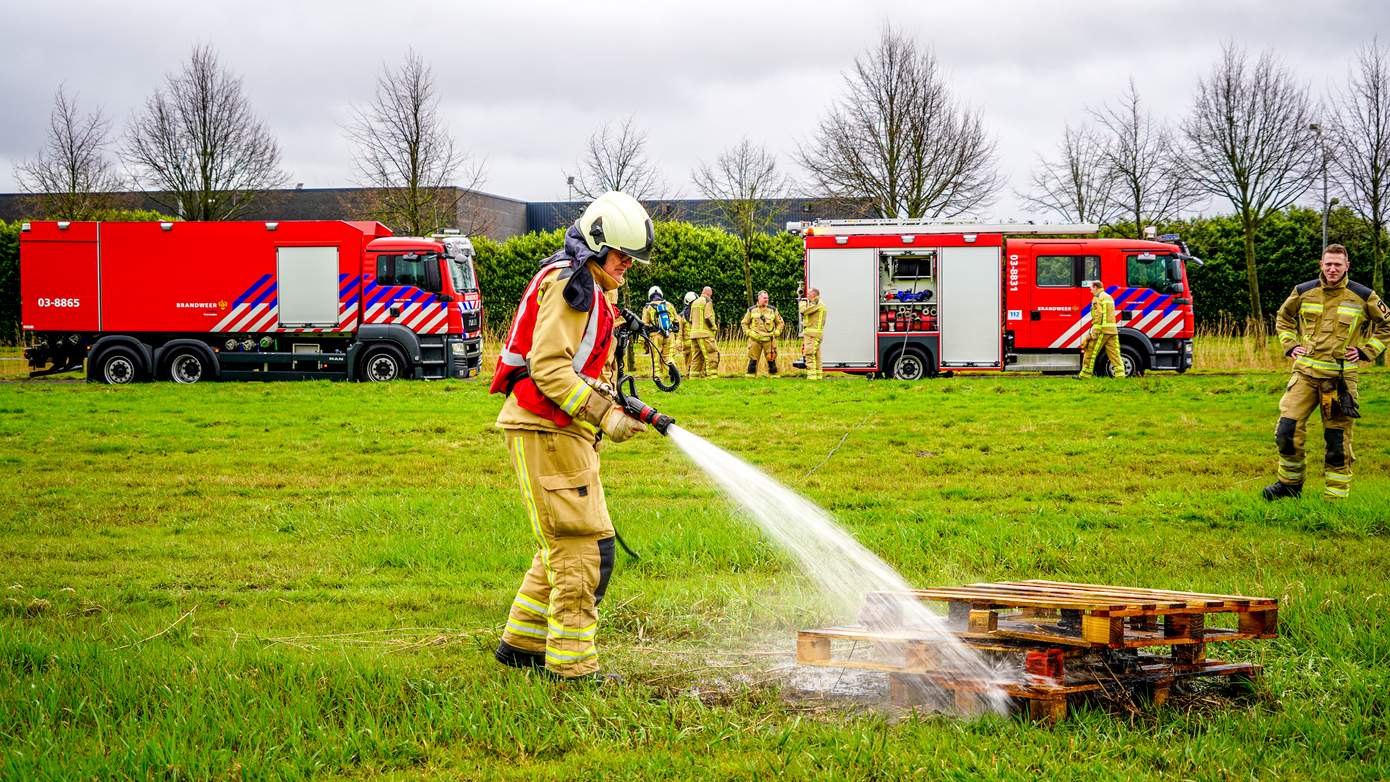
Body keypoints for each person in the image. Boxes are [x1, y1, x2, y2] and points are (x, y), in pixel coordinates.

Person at [489, 191, 655, 680]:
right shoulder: (571, 285)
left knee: (563, 543)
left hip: (551, 428)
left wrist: (614, 402)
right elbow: (549, 369)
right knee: (583, 549)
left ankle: (522, 646)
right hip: (544, 428)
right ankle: (572, 668)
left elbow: (575, 368)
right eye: (623, 255)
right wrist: (604, 414)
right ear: (598, 243)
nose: (629, 265)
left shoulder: (579, 280)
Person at [1264, 244, 1390, 501]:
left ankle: (1335, 499)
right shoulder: (1303, 291)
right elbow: (1283, 318)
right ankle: (1289, 486)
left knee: (1336, 441)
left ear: (1347, 267)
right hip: (1305, 375)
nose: (1333, 269)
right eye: (1328, 264)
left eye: (1338, 264)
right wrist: (1290, 345)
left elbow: (1386, 324)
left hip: (1339, 382)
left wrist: (1367, 351)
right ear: (1321, 265)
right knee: (1286, 431)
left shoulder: (1363, 295)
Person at [1078, 280, 1124, 378]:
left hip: (1102, 330)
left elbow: (1099, 316)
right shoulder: (1109, 297)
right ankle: (1120, 375)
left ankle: (1085, 375)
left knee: (1090, 350)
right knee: (1115, 353)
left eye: (1091, 288)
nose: (1090, 290)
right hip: (1112, 330)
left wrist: (1094, 332)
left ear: (1095, 287)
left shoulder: (1097, 298)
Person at [741, 290, 785, 376]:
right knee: (752, 361)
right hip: (755, 340)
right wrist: (748, 332)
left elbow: (780, 323)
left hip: (769, 340)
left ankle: (774, 380)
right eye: (764, 298)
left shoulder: (773, 310)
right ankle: (750, 379)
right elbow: (744, 323)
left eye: (767, 298)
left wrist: (777, 332)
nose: (766, 300)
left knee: (771, 361)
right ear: (759, 298)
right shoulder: (751, 310)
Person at [640, 286, 678, 379]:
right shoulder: (669, 305)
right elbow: (676, 322)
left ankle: (657, 376)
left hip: (655, 335)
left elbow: (644, 324)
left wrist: (643, 340)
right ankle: (673, 373)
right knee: (669, 355)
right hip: (669, 334)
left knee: (656, 357)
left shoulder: (648, 307)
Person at [688, 286, 720, 378]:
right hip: (705, 334)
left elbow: (690, 319)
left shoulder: (694, 302)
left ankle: (693, 378)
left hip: (694, 335)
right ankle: (712, 377)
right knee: (711, 355)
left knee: (696, 358)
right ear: (709, 293)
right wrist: (714, 327)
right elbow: (707, 317)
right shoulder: (707, 301)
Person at [799, 288, 826, 380]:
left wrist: (802, 303)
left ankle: (811, 377)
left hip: (812, 334)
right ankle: (818, 376)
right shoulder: (820, 304)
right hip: (816, 334)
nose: (807, 296)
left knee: (809, 354)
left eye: (809, 294)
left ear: (814, 295)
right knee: (817, 356)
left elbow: (803, 311)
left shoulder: (817, 304)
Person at [677, 291, 698, 375]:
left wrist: (678, 342)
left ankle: (689, 375)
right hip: (695, 342)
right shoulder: (697, 314)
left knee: (689, 364)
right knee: (696, 362)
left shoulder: (681, 316)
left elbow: (679, 332)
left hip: (687, 344)